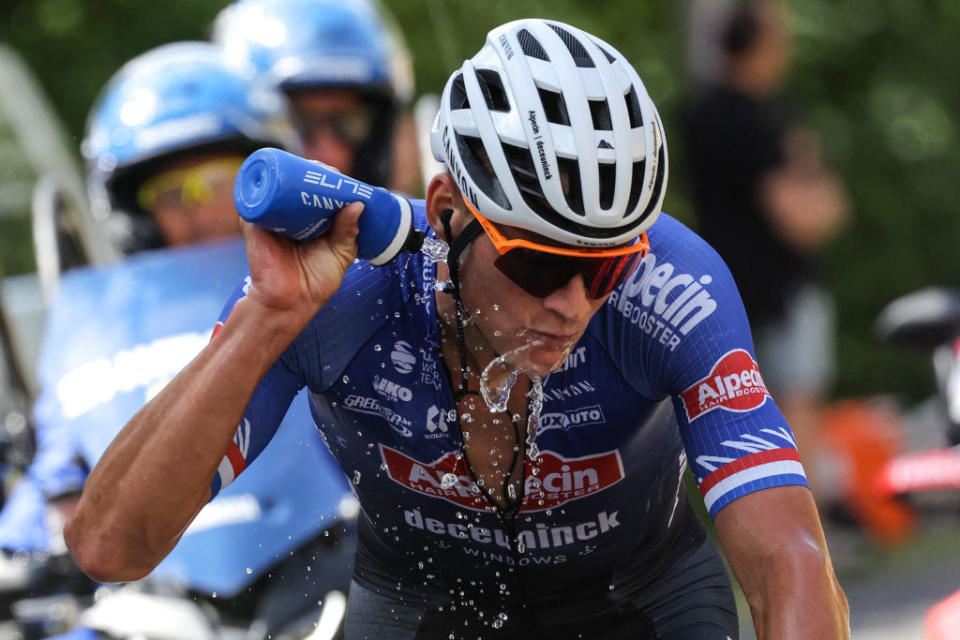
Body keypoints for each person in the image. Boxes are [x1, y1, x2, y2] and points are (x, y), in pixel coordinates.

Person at [65, 19, 849, 639]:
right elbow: (109, 549)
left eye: (604, 269)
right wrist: (263, 323)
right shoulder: (341, 292)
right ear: (446, 213)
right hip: (421, 606)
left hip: (642, 598)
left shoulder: (675, 288)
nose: (572, 303)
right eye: (539, 266)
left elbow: (790, 563)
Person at [0, 41, 297, 555]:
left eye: (223, 183)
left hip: (325, 574)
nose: (203, 214)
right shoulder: (99, 341)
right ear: (133, 219)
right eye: (175, 195)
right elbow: (54, 475)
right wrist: (22, 550)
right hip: (151, 603)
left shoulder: (337, 303)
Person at [682, 0, 849, 503]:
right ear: (760, 46)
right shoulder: (757, 120)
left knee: (739, 421)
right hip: (780, 288)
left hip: (722, 289)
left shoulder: (696, 113)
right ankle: (812, 537)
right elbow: (804, 219)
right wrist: (818, 181)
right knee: (798, 407)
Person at [212, 0, 419, 192]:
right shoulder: (198, 230)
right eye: (299, 123)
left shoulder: (420, 224)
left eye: (350, 124)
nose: (330, 158)